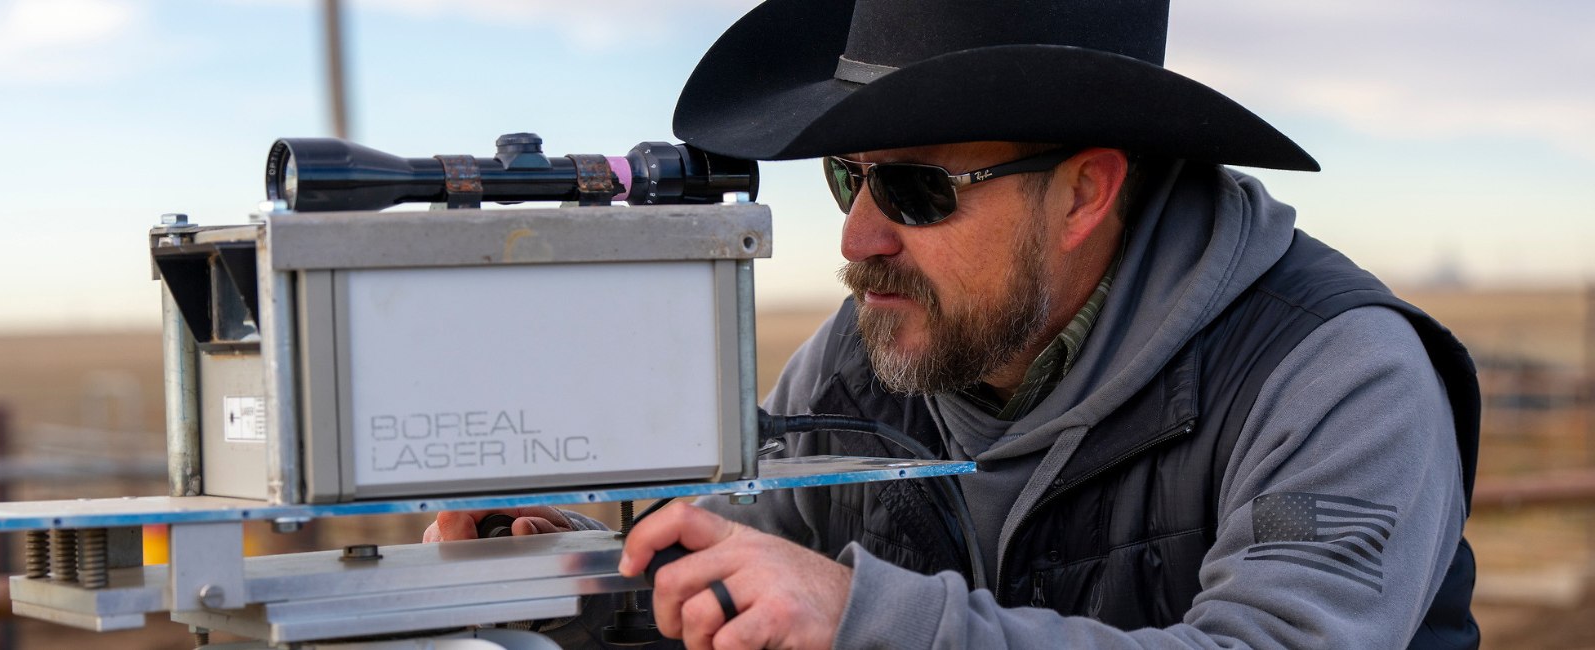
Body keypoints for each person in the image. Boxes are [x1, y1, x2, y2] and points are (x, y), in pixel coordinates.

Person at [428, 0, 1481, 648]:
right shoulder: (858, 360)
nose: (856, 237)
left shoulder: (1333, 373)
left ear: (1082, 195)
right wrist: (599, 587)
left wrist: (868, 621)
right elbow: (758, 599)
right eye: (848, 177)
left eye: (918, 191)